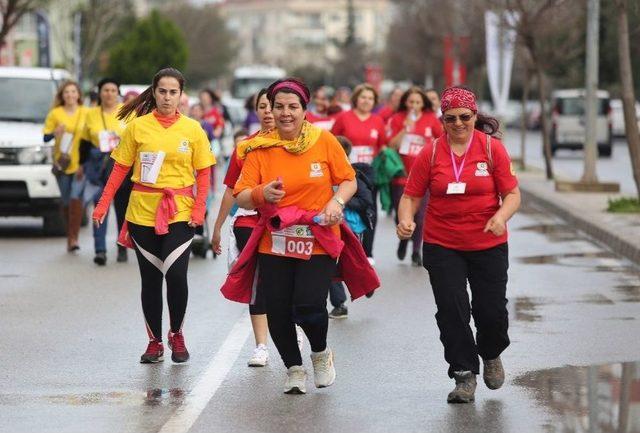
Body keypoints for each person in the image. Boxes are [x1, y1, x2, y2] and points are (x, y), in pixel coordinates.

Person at [232, 77, 357, 394]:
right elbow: (242, 195)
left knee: (309, 305)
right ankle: (293, 367)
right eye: (279, 107)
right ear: (271, 110)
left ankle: (319, 352)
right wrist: (263, 193)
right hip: (274, 240)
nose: (285, 113)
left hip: (317, 237)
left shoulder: (324, 141)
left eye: (292, 107)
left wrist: (335, 201)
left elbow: (348, 180)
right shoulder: (262, 149)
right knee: (277, 310)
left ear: (305, 110)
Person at [397, 86, 520, 404]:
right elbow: (411, 195)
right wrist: (406, 220)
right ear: (443, 120)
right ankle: (464, 374)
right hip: (442, 244)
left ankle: (491, 352)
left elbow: (512, 194)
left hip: (488, 242)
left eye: (465, 117)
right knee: (452, 311)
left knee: (490, 312)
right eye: (450, 118)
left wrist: (501, 217)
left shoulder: (492, 150)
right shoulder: (432, 152)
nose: (459, 123)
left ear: (475, 116)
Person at [92, 68, 216, 364]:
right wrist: (103, 203)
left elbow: (204, 172)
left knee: (175, 275)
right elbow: (120, 168)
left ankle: (177, 334)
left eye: (173, 92)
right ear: (154, 92)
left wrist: (200, 208)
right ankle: (154, 342)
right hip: (141, 211)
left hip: (180, 211)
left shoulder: (192, 129)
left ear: (181, 95)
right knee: (150, 281)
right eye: (162, 91)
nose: (167, 97)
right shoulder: (137, 127)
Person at [387, 86, 443, 266]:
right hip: (401, 175)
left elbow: (443, 141)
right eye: (411, 102)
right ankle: (404, 239)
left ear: (423, 104)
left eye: (418, 102)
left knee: (420, 216)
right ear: (405, 102)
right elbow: (391, 145)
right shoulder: (397, 119)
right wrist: (405, 130)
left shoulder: (431, 119)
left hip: (424, 176)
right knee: (401, 214)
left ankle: (416, 251)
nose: (414, 105)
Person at [331, 83, 386, 263]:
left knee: (370, 210)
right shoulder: (343, 118)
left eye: (370, 98)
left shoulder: (378, 120)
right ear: (356, 99)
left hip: (368, 172)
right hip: (348, 170)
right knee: (347, 207)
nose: (366, 101)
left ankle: (367, 252)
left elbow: (381, 145)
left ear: (374, 101)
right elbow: (332, 142)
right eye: (363, 97)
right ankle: (345, 247)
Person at [78, 78, 127, 265]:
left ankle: (122, 247)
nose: (109, 93)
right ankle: (100, 250)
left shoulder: (127, 113)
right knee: (100, 207)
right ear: (100, 93)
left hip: (122, 168)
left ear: (118, 93)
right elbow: (84, 142)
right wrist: (81, 165)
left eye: (113, 90)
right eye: (106, 90)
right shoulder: (91, 114)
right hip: (98, 168)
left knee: (122, 209)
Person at [328, 136, 375, 319]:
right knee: (331, 265)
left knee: (352, 264)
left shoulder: (352, 175)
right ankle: (339, 304)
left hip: (353, 228)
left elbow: (366, 201)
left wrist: (340, 201)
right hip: (331, 227)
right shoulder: (322, 172)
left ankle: (367, 282)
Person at [43, 80, 88, 253]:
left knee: (76, 198)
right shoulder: (55, 114)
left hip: (80, 164)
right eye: (66, 92)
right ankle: (70, 233)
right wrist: (55, 133)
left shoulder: (86, 112)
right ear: (62, 96)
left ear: (78, 94)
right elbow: (45, 138)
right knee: (66, 200)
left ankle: (73, 238)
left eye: (73, 92)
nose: (70, 95)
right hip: (62, 163)